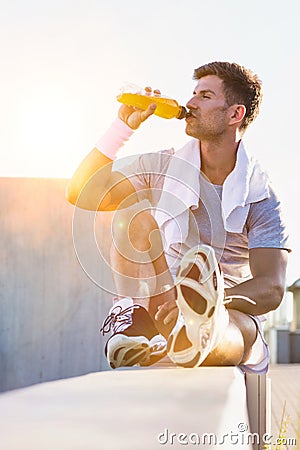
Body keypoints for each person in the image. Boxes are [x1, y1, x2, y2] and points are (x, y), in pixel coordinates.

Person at [66, 61, 290, 372]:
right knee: (134, 211)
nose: (190, 103)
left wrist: (205, 302)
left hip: (228, 309)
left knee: (237, 329)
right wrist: (123, 127)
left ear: (234, 114)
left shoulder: (261, 197)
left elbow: (272, 288)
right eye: (193, 93)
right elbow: (81, 192)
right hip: (164, 301)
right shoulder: (162, 166)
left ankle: (198, 338)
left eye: (205, 96)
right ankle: (130, 316)